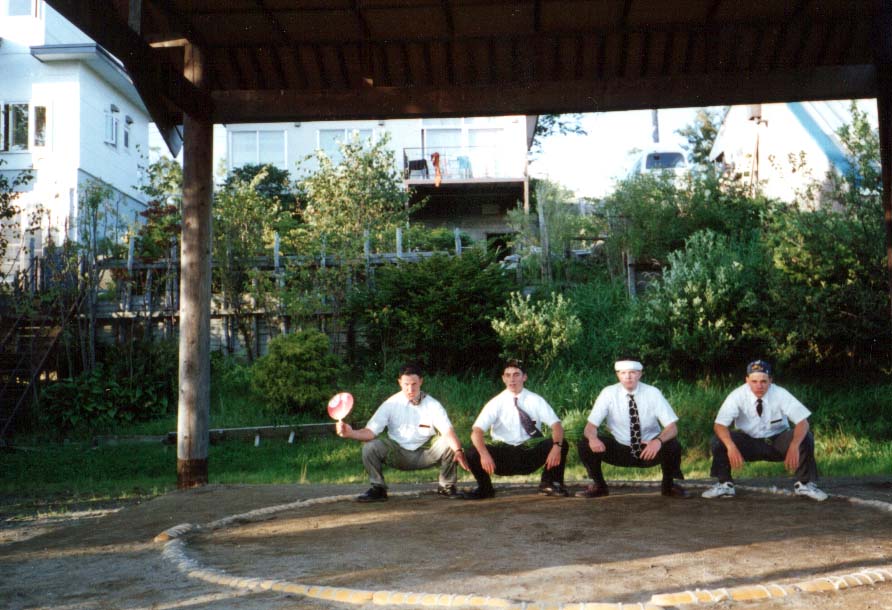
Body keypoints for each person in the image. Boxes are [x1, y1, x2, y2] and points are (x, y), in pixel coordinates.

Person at [335, 364, 468, 502]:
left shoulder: (433, 404)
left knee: (450, 443)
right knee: (370, 447)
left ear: (421, 381)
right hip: (397, 454)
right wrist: (350, 433)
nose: (410, 389)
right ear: (399, 383)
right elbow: (370, 432)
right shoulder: (390, 404)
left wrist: (458, 451)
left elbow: (448, 431)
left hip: (426, 454)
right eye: (406, 384)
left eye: (414, 384)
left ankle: (446, 486)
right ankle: (378, 489)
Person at [702, 360, 827, 501]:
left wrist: (794, 445)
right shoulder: (737, 395)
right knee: (719, 440)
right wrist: (731, 446)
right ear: (747, 380)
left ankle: (804, 484)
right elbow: (719, 425)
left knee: (806, 436)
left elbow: (803, 422)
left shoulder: (780, 393)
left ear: (770, 380)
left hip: (777, 442)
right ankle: (725, 484)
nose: (759, 386)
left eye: (763, 381)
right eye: (754, 381)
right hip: (748, 442)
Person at [576, 359, 689, 498]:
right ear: (618, 375)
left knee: (673, 445)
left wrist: (657, 441)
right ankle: (599, 486)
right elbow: (590, 427)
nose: (628, 377)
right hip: (620, 449)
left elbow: (672, 428)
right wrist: (593, 438)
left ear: (640, 374)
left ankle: (668, 487)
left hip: (648, 449)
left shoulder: (653, 393)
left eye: (632, 372)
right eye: (623, 373)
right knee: (584, 443)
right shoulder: (608, 393)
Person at [459, 359, 569, 499]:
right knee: (472, 452)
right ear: (503, 378)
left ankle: (549, 483)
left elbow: (557, 426)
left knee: (561, 443)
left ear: (524, 377)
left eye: (516, 374)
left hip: (529, 453)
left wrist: (556, 447)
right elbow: (477, 432)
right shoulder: (496, 402)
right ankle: (485, 488)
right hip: (503, 456)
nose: (512, 379)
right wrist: (484, 454)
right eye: (508, 375)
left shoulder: (536, 400)